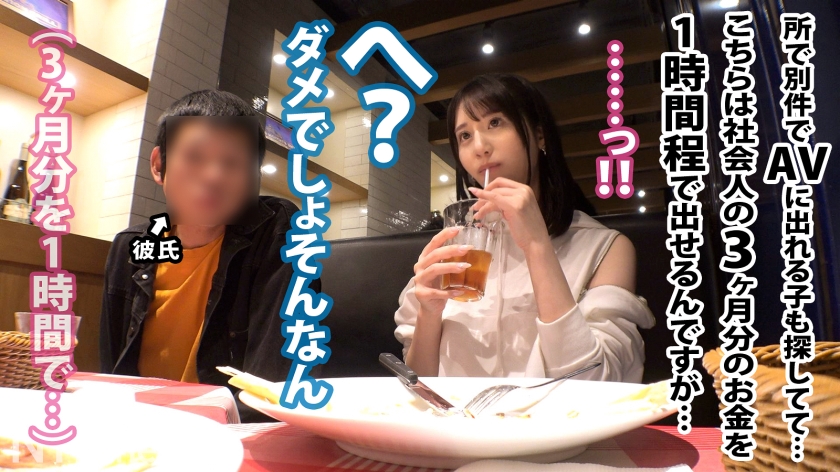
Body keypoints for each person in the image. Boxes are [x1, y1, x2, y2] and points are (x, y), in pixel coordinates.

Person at [394, 74, 655, 382]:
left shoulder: (605, 248)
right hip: (454, 415)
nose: (480, 147)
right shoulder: (455, 248)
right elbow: (420, 386)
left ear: (540, 136)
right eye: (465, 136)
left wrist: (537, 247)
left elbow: (598, 383)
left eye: (495, 123)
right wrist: (428, 313)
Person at [99, 90, 312, 422]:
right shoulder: (130, 246)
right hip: (138, 425)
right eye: (194, 157)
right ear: (159, 165)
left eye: (233, 162)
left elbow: (273, 384)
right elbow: (112, 370)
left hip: (228, 431)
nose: (214, 176)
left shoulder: (276, 232)